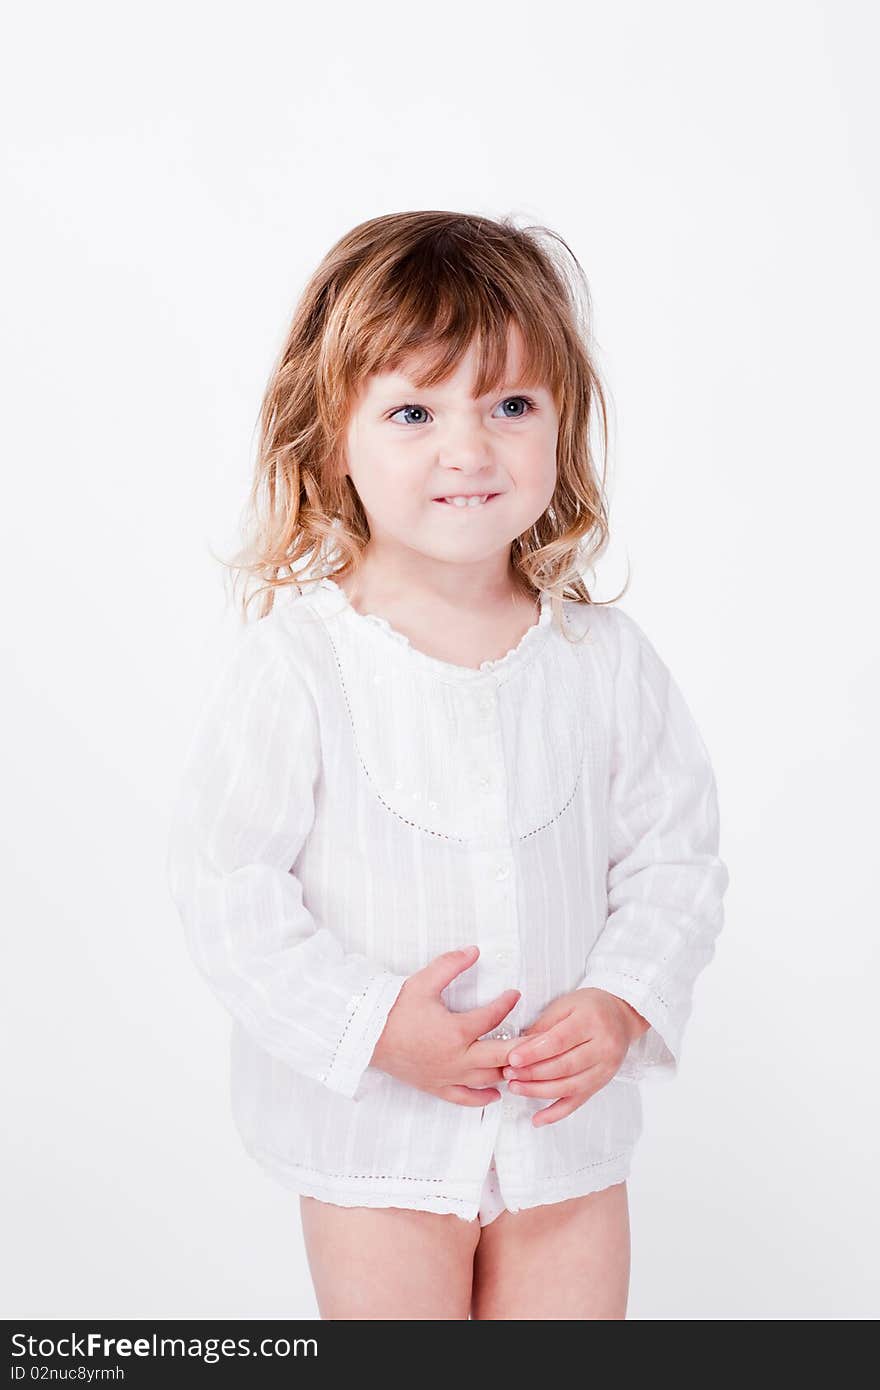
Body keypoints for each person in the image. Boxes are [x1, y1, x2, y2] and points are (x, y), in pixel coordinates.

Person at [166, 209, 730, 1320]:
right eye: (414, 410)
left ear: (560, 429)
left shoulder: (600, 660)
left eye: (510, 405)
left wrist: (620, 1001)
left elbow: (675, 854)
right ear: (332, 436)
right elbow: (225, 888)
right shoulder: (301, 664)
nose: (467, 449)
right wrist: (374, 1024)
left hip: (562, 1146)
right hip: (378, 1147)